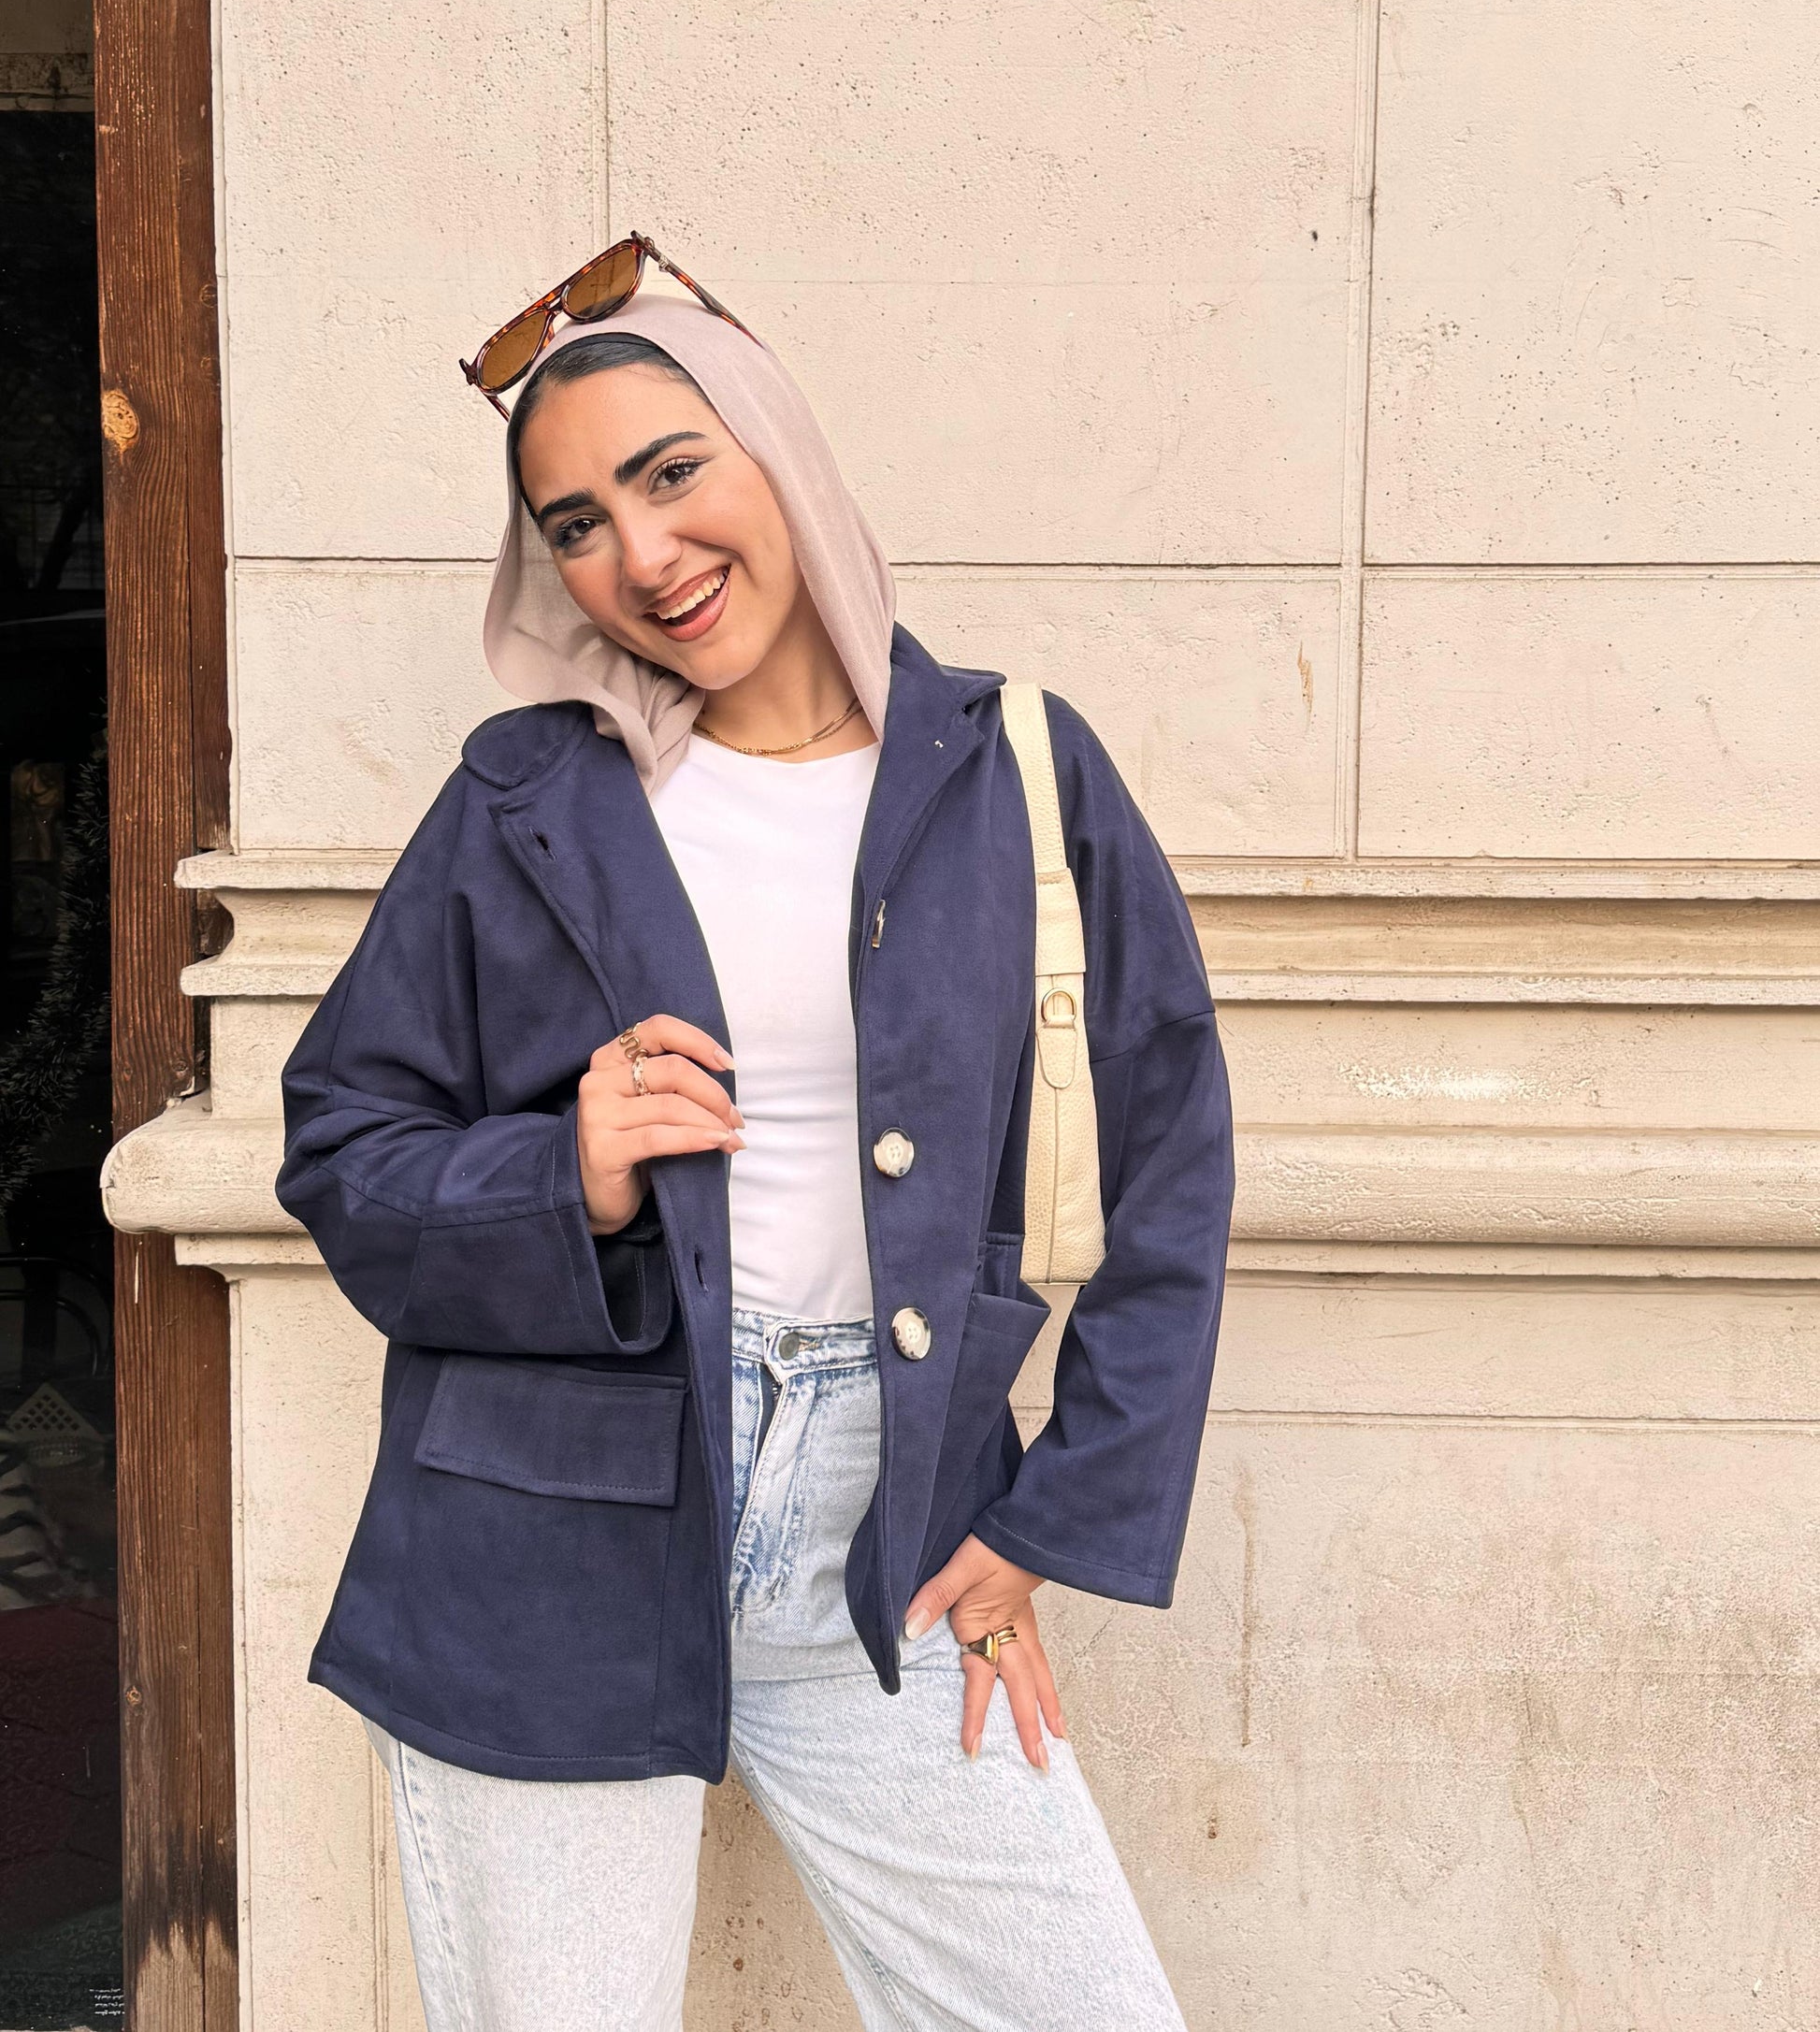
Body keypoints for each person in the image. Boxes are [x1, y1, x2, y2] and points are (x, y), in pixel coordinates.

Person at [277, 238, 1235, 2032]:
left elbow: (1169, 1164)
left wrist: (1051, 1516)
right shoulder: (524, 798)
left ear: (777, 452)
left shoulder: (1021, 772)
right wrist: (560, 1171)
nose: (640, 556)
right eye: (575, 524)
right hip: (548, 1531)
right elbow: (340, 1139)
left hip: (892, 1527)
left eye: (670, 474)